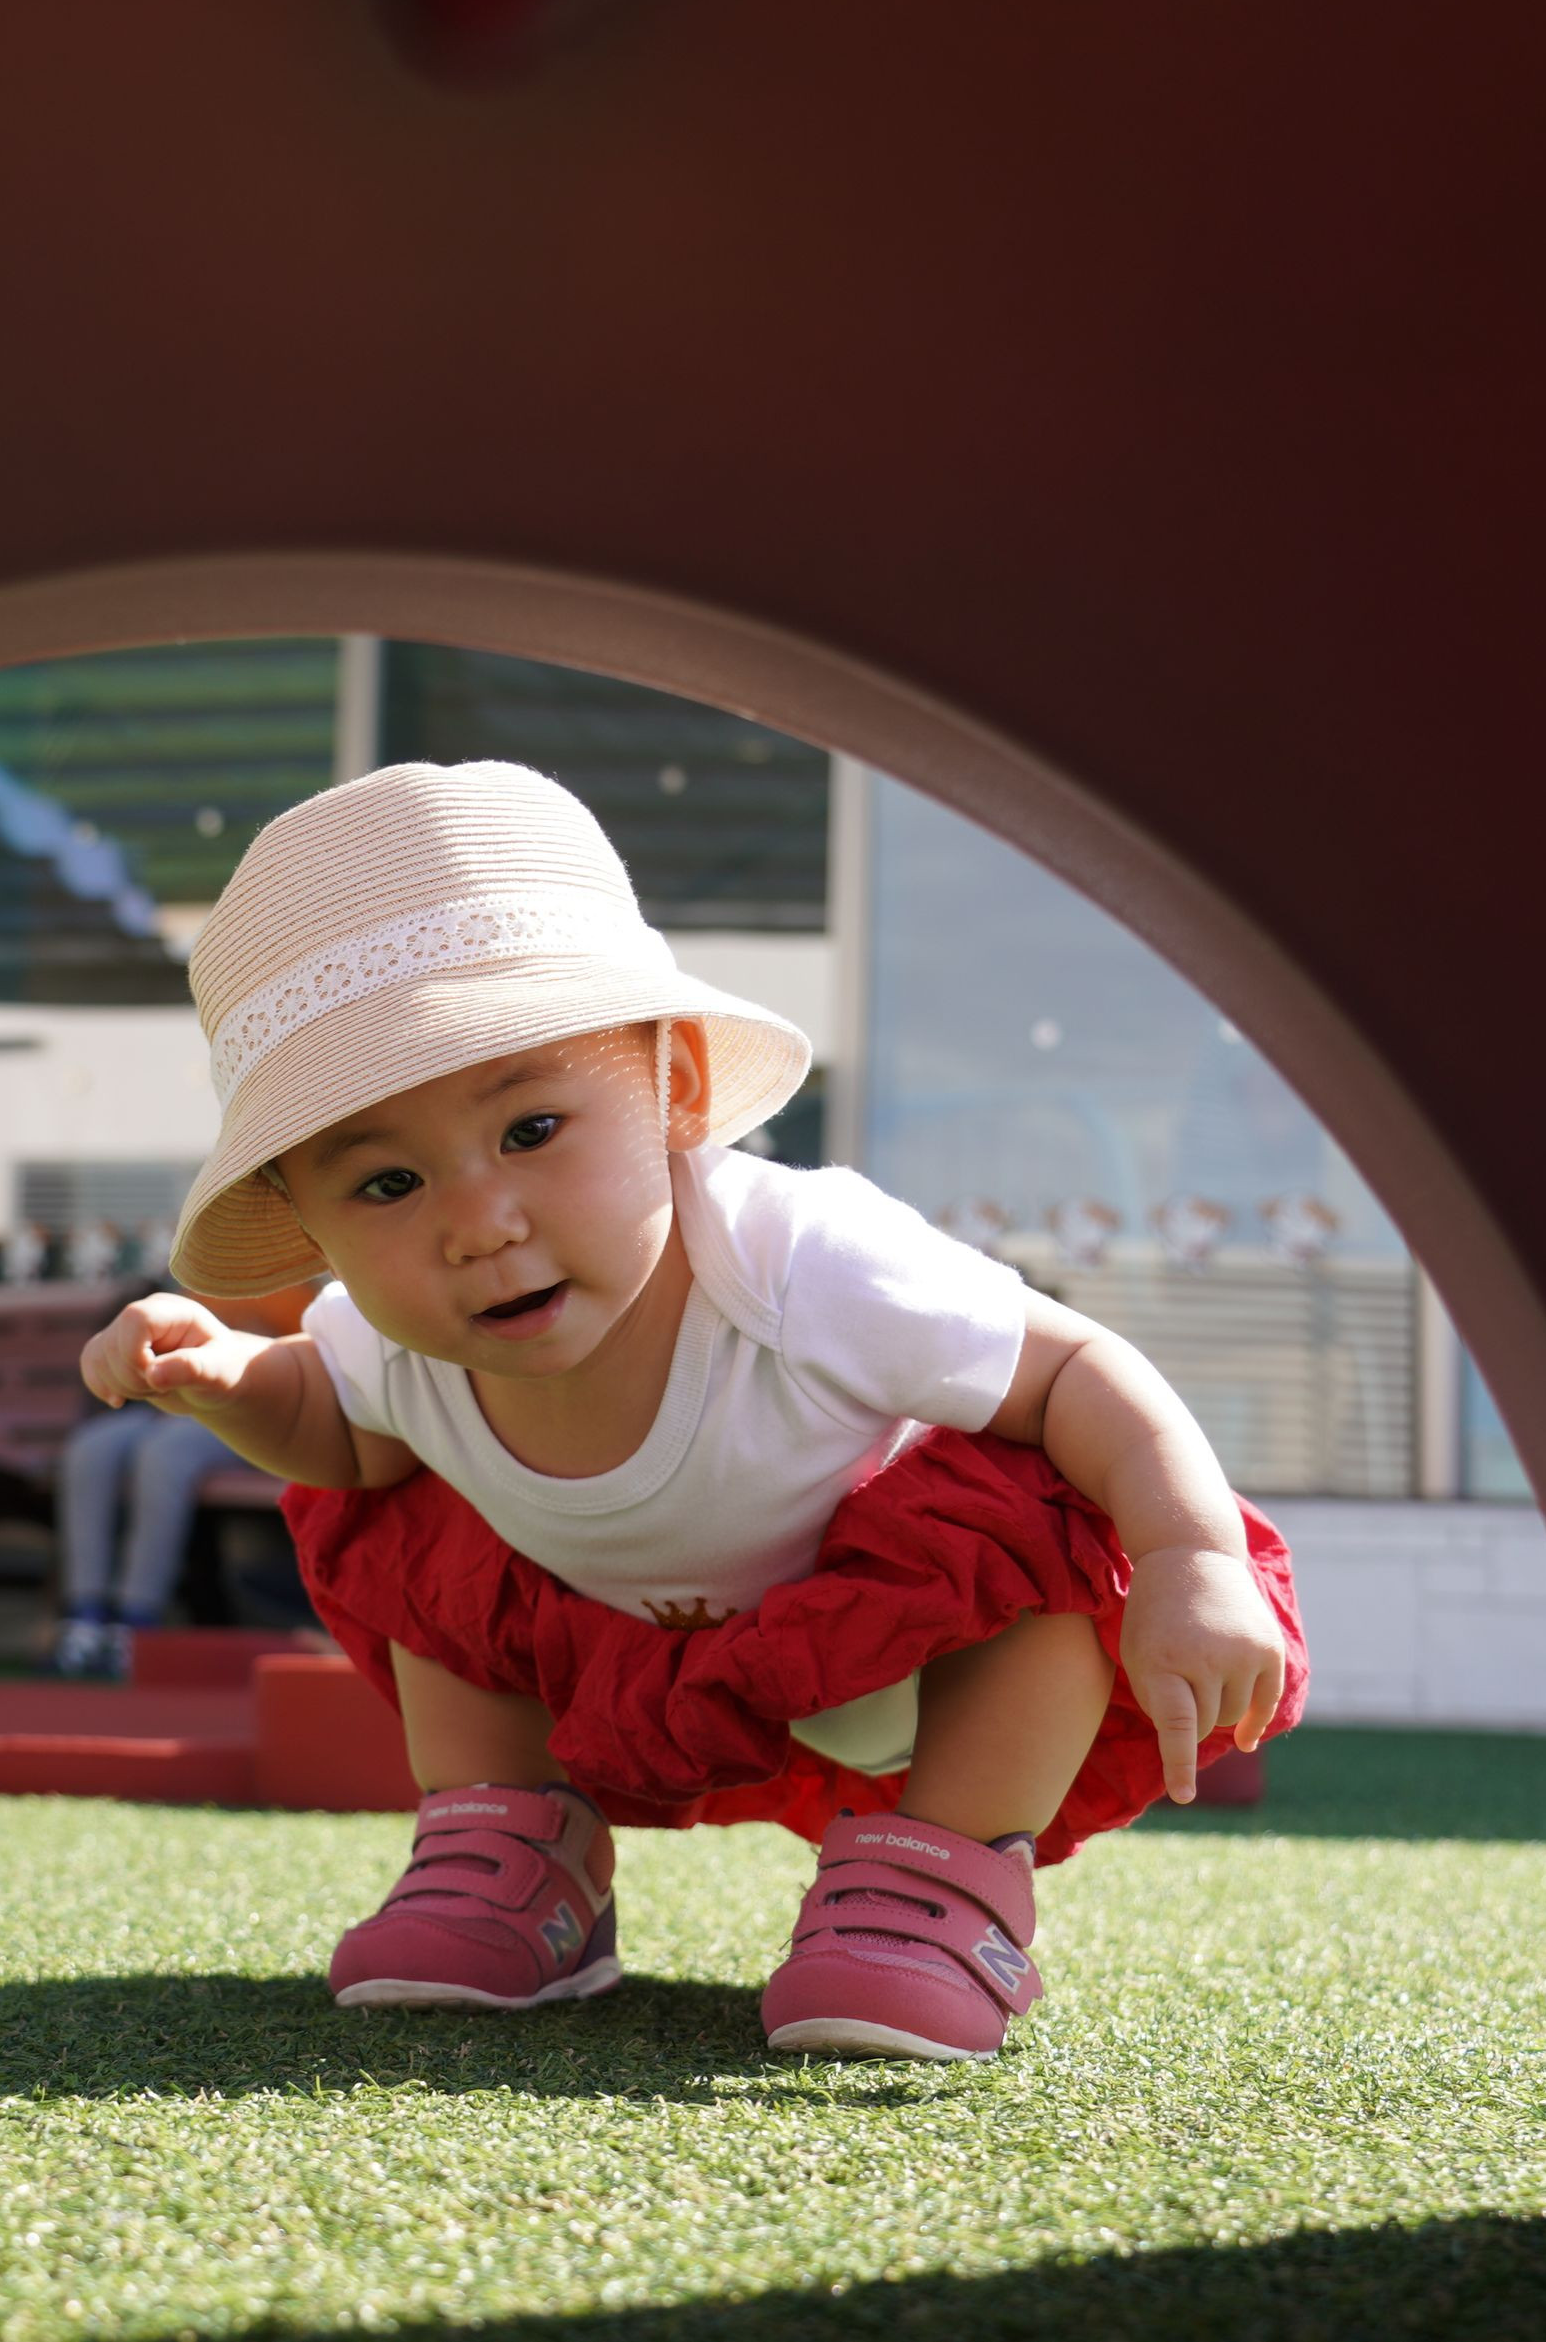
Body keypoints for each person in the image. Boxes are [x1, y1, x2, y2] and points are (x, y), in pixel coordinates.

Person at [78, 763, 1305, 2063]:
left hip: (898, 1637)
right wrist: (229, 1379)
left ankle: (936, 1889)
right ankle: (511, 1854)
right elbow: (338, 1431)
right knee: (403, 1516)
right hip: (606, 1650)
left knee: (1046, 1504)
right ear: (306, 1220)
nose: (478, 1224)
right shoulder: (395, 1340)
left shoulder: (803, 1262)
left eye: (531, 1128)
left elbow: (1074, 1369)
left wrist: (1188, 1555)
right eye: (385, 1183)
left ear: (669, 1088)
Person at [44, 1280, 316, 1678]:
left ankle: (137, 1619)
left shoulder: (296, 1285)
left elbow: (306, 1374)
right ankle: (84, 1616)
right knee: (92, 1448)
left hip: (248, 1414)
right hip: (176, 1405)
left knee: (163, 1453)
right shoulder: (197, 1276)